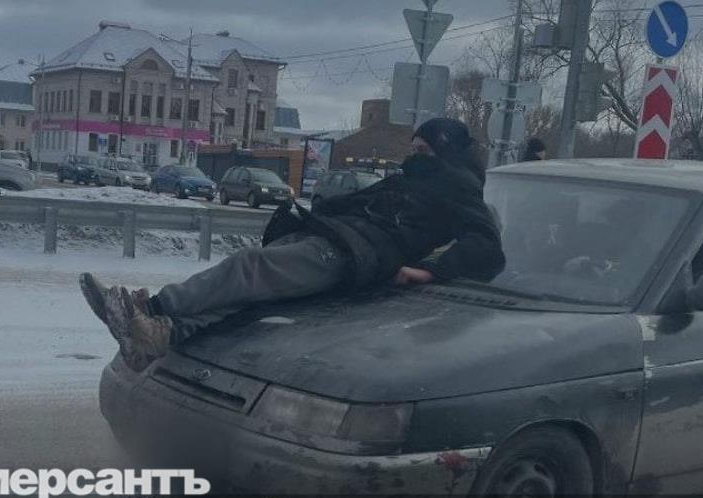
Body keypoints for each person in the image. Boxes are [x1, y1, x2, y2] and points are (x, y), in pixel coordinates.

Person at [80, 117, 506, 372]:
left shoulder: (458, 186)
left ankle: (149, 309)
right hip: (335, 237)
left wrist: (430, 270)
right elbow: (357, 204)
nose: (415, 154)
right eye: (413, 147)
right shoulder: (415, 178)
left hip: (350, 255)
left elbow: (487, 245)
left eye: (423, 148)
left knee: (249, 267)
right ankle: (158, 338)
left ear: (444, 149)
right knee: (248, 299)